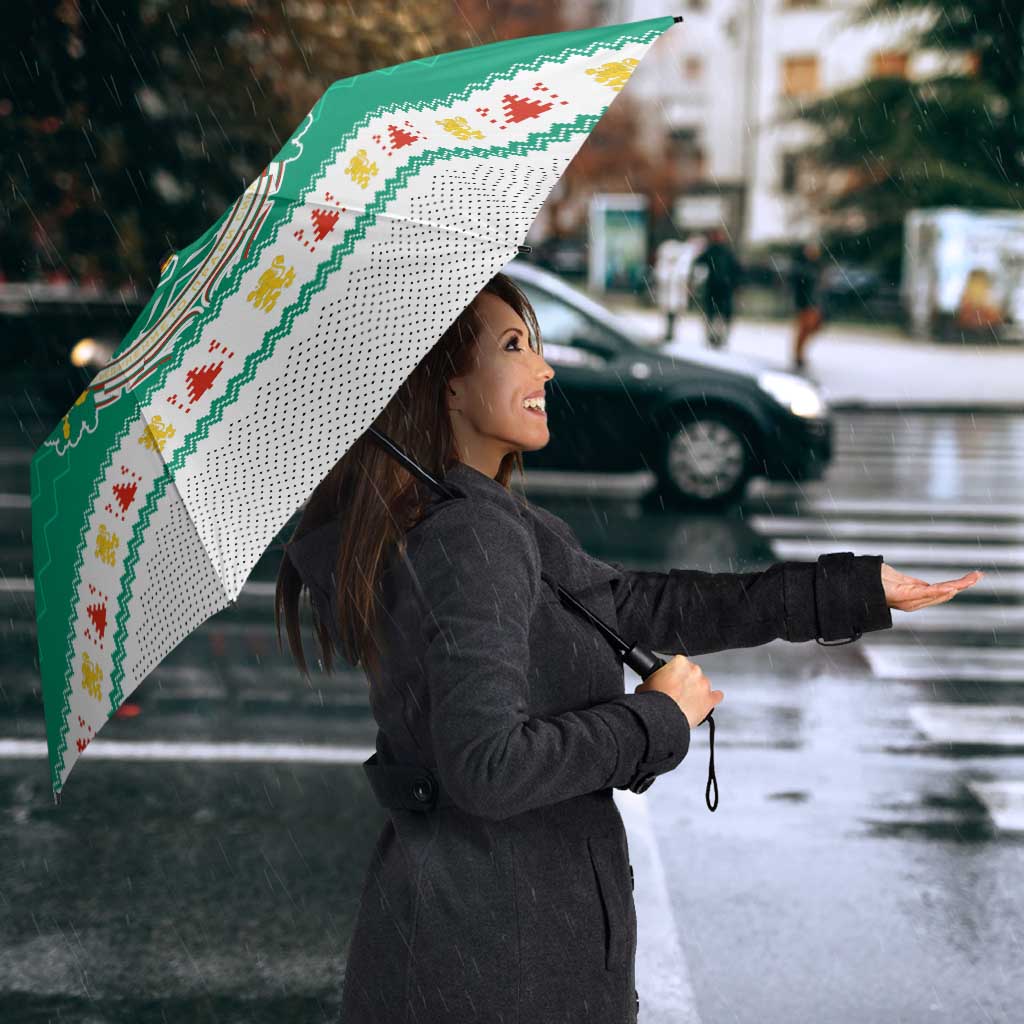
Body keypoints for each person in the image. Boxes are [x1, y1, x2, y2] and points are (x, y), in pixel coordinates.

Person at [276, 272, 910, 1024]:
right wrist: (655, 719)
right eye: (514, 346)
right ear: (444, 385)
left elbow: (638, 604)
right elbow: (488, 768)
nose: (544, 368)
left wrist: (848, 591)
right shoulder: (469, 537)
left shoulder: (475, 517)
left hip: (481, 942)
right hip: (500, 963)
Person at [692, 226, 743, 349]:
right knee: (713, 314)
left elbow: (736, 269)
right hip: (715, 288)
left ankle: (719, 337)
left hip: (723, 288)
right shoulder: (713, 251)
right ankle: (713, 337)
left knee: (721, 314)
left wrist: (736, 284)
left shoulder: (725, 252)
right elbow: (698, 263)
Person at [790, 239, 826, 370]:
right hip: (805, 303)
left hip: (814, 303)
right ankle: (798, 355)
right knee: (804, 329)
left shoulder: (817, 266)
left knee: (812, 328)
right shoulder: (802, 267)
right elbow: (799, 286)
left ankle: (799, 354)